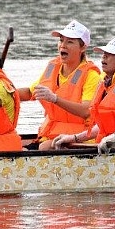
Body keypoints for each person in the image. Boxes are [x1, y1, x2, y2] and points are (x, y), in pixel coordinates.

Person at [17, 20, 101, 151]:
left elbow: (86, 111)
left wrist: (55, 99)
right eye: (61, 40)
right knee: (18, 147)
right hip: (49, 136)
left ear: (83, 47)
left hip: (78, 141)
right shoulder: (53, 67)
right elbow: (30, 93)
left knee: (43, 148)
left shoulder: (91, 75)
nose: (63, 45)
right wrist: (5, 93)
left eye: (70, 42)